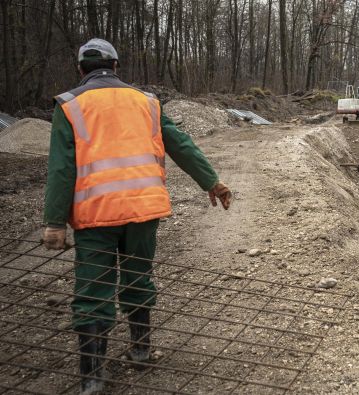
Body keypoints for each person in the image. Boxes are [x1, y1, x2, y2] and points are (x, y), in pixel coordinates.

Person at [41, 38, 232, 394]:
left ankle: (93, 377)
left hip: (96, 213)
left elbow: (61, 168)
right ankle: (141, 349)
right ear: (116, 67)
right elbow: (181, 144)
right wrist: (212, 181)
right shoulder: (147, 102)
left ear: (80, 70)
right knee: (137, 277)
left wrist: (53, 221)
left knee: (94, 288)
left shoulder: (69, 106)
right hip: (144, 211)